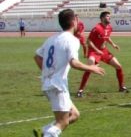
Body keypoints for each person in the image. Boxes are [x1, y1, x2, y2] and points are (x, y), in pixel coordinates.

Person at [32, 9, 105, 137]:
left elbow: (37, 57)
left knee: (75, 115)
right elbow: (74, 63)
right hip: (57, 85)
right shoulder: (71, 40)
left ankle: (43, 131)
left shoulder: (52, 38)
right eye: (77, 19)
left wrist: (47, 73)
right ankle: (48, 134)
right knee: (63, 122)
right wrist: (91, 68)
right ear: (73, 21)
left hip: (49, 84)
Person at [76, 11, 128, 97]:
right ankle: (80, 91)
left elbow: (106, 37)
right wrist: (97, 50)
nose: (109, 18)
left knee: (119, 66)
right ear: (102, 18)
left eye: (109, 16)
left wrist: (113, 44)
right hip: (93, 51)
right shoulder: (96, 28)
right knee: (89, 69)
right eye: (107, 16)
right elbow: (89, 41)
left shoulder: (109, 27)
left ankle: (121, 87)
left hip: (104, 51)